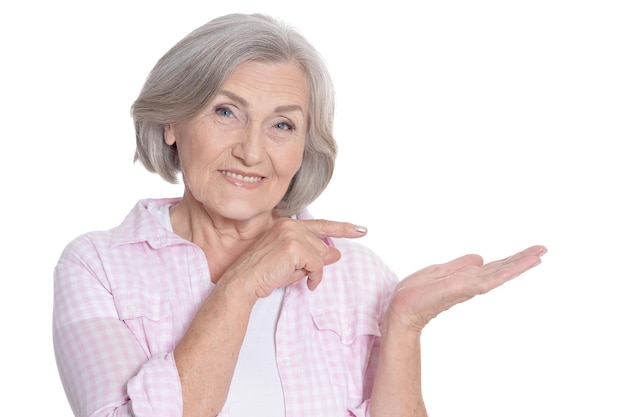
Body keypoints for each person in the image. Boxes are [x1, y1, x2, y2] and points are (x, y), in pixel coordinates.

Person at [52, 12, 546, 417]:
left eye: (282, 124)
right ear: (171, 123)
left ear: (303, 147)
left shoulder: (357, 273)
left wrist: (403, 324)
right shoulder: (97, 266)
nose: (251, 151)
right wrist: (242, 283)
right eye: (226, 112)